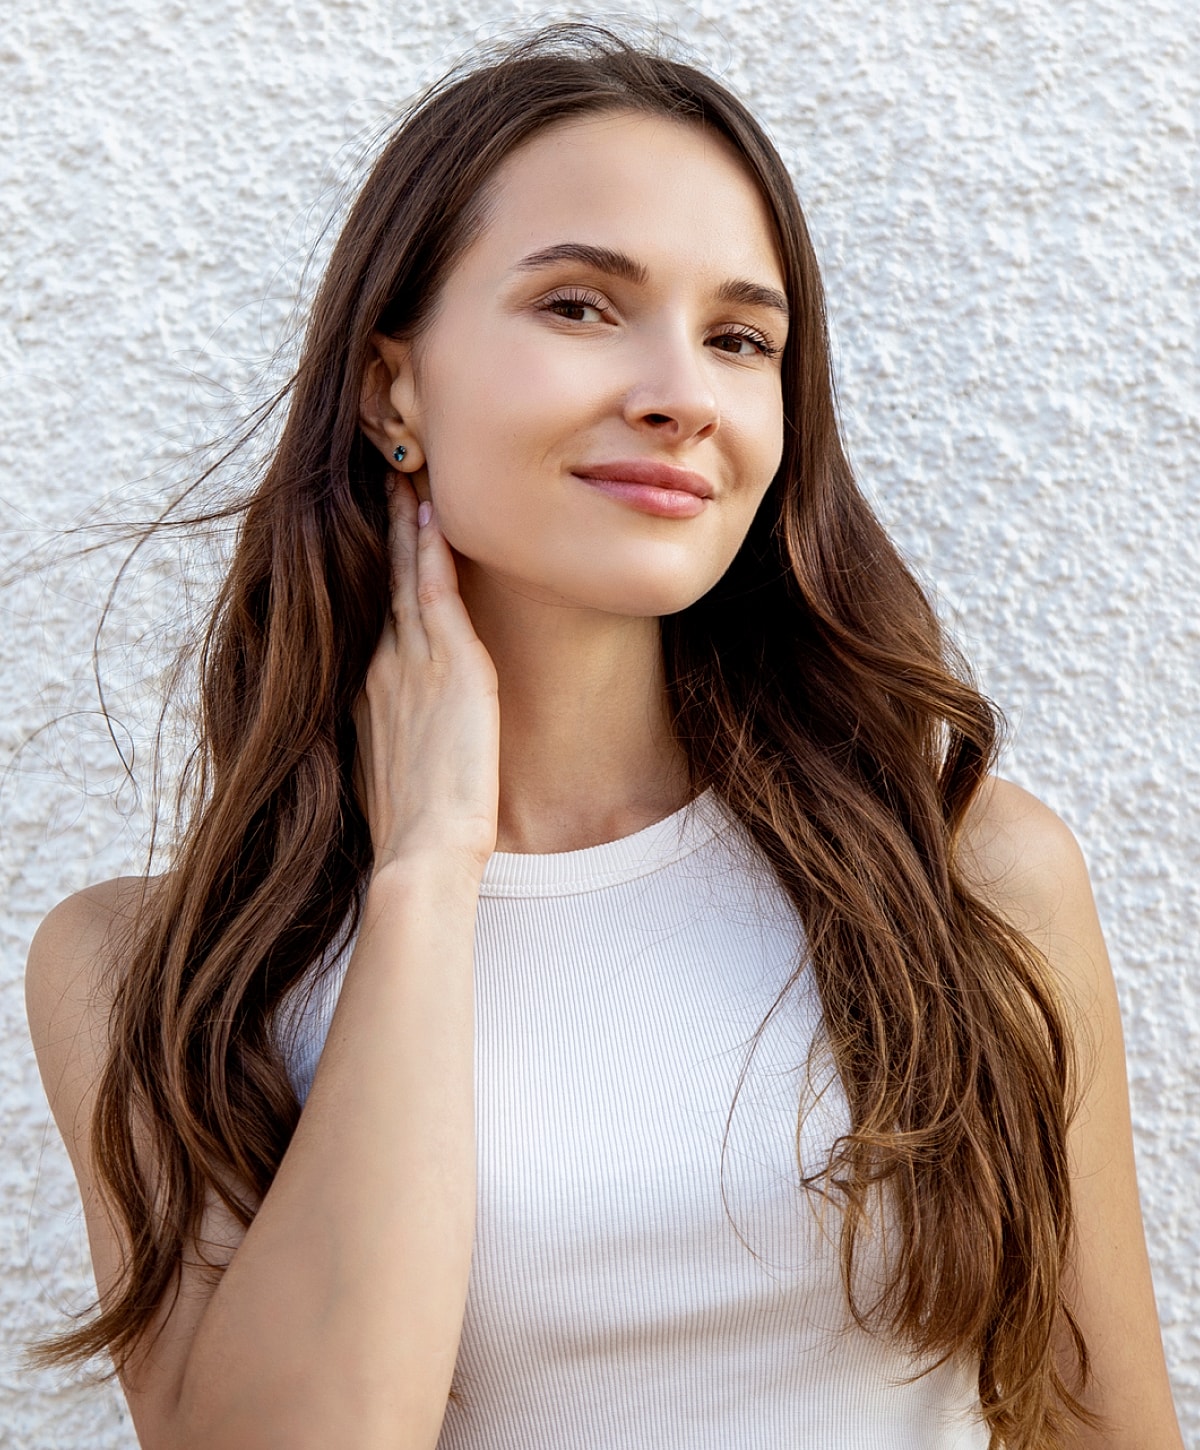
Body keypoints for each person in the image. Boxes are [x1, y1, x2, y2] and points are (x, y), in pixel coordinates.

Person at [22, 23, 1183, 1450]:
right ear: (394, 389)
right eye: (580, 306)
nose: (681, 392)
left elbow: (1102, 1425)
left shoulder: (961, 873)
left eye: (740, 338)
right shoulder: (147, 973)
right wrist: (429, 872)